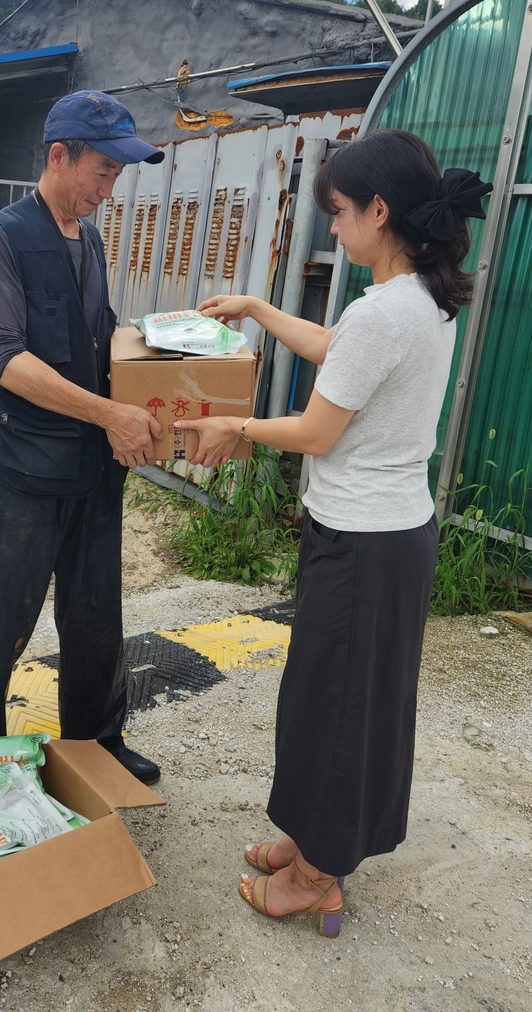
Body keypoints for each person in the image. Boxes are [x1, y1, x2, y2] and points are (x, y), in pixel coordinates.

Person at [175, 129, 492, 934]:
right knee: (329, 697)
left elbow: (318, 430)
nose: (336, 230)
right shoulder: (415, 295)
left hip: (367, 544)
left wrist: (236, 427)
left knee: (343, 707)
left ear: (379, 211)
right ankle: (311, 839)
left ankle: (319, 874)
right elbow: (340, 352)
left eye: (342, 214)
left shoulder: (387, 309)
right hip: (379, 534)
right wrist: (256, 308)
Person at [0, 90, 165, 783]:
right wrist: (109, 415)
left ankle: (97, 745)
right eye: (102, 171)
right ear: (59, 157)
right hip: (27, 473)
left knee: (97, 616)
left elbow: (97, 333)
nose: (110, 188)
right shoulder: (2, 238)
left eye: (118, 175)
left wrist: (166, 350)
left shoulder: (91, 239)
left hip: (94, 473)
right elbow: (5, 359)